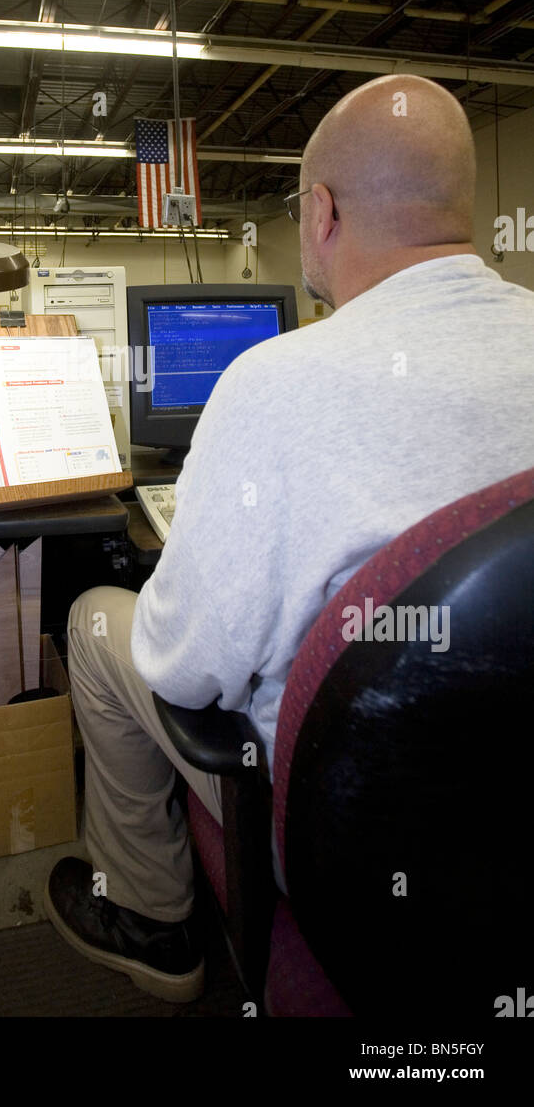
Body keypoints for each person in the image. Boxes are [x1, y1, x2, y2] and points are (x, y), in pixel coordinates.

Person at [44, 74, 534, 1003]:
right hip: (508, 823)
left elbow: (182, 669)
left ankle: (153, 921)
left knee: (98, 625)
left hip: (337, 827)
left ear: (322, 213)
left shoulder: (274, 383)